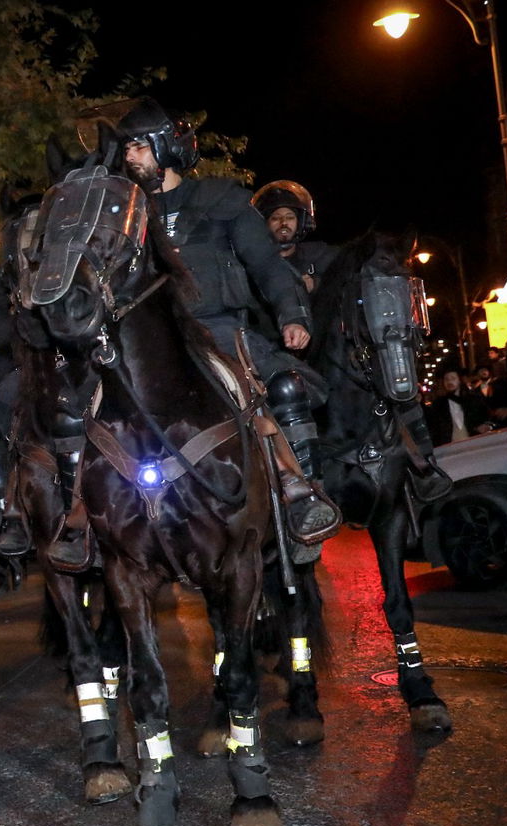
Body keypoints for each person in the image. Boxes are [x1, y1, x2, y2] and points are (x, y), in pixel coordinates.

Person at [106, 98, 339, 552]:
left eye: (138, 147)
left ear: (165, 147)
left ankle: (300, 492)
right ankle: (76, 512)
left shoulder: (221, 201)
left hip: (216, 333)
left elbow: (267, 266)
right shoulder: (123, 212)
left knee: (285, 388)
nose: (129, 157)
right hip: (142, 340)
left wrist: (292, 315)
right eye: (126, 149)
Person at [251, 180, 338, 295]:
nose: (284, 223)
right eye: (276, 218)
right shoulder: (252, 264)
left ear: (301, 222)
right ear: (264, 224)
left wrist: (315, 284)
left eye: (290, 217)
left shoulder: (319, 256)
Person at [424, 366, 494, 445]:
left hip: (475, 444)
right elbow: (434, 429)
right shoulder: (439, 405)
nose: (449, 382)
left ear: (459, 380)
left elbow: (488, 418)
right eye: (446, 379)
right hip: (451, 448)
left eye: (453, 378)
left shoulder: (473, 400)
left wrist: (485, 426)